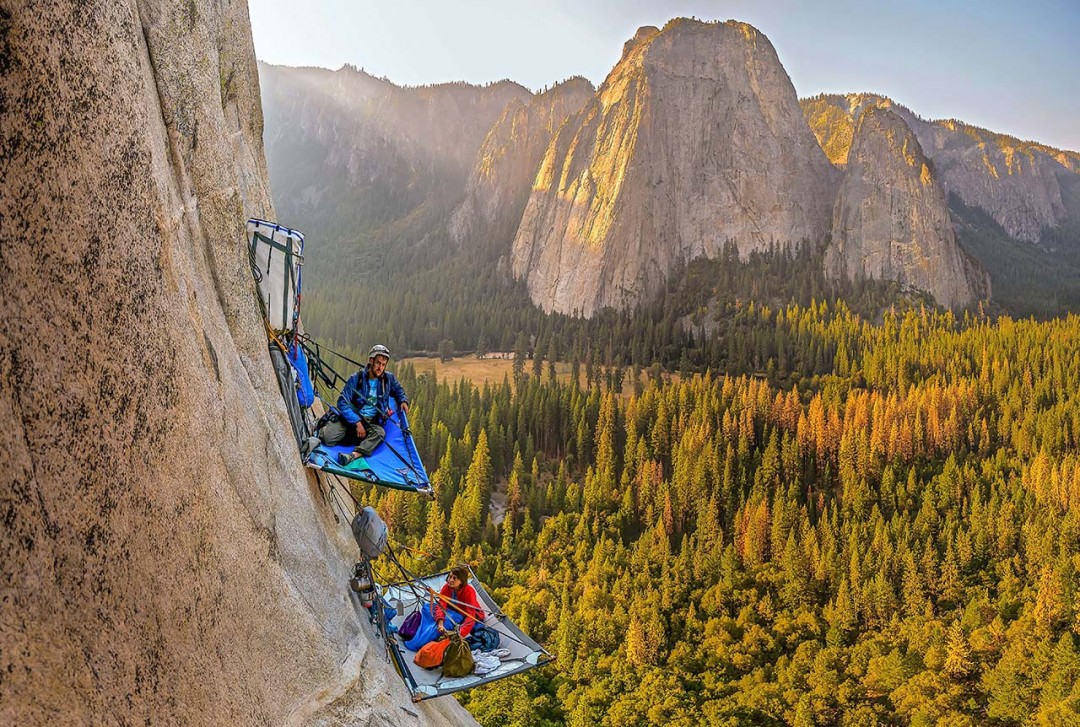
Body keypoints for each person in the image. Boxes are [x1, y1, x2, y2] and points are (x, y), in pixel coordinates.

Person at [321, 344, 409, 466]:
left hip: (370, 424)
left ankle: (353, 455)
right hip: (350, 421)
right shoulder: (356, 378)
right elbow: (342, 402)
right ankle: (339, 431)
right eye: (378, 363)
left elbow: (399, 390)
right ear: (371, 361)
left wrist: (403, 401)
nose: (380, 368)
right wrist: (357, 422)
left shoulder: (388, 379)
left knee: (380, 433)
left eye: (383, 365)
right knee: (327, 438)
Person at [432, 565, 485, 638]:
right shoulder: (447, 587)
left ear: (461, 581)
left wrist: (460, 634)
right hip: (451, 609)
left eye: (454, 578)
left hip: (462, 614)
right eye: (450, 577)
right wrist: (440, 622)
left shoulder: (469, 592)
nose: (450, 580)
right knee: (427, 606)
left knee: (446, 623)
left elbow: (470, 615)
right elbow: (441, 603)